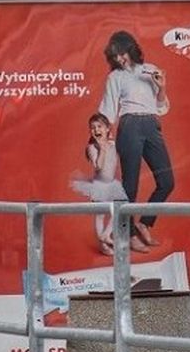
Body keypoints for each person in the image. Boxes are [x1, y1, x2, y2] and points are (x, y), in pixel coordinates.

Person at [96, 30, 174, 251]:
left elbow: (160, 106)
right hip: (129, 126)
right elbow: (109, 110)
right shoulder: (115, 77)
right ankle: (128, 235)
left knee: (167, 181)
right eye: (115, 56)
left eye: (121, 53)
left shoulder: (150, 70)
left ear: (130, 48)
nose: (119, 59)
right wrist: (101, 140)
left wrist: (162, 86)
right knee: (130, 186)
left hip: (151, 124)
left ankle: (144, 223)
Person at [69, 113, 130, 256]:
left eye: (99, 126)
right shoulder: (92, 148)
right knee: (100, 214)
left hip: (112, 184)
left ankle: (105, 235)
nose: (96, 129)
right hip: (99, 185)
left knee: (121, 208)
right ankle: (103, 244)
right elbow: (99, 167)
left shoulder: (114, 144)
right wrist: (102, 148)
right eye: (93, 128)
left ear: (108, 128)